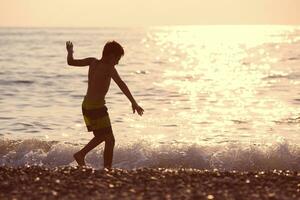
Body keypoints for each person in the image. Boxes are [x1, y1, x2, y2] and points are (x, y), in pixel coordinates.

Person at [66, 41, 144, 169]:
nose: (117, 62)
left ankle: (90, 159)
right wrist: (134, 102)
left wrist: (70, 52)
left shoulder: (92, 62)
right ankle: (94, 161)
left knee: (104, 137)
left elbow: (71, 62)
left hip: (86, 105)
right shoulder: (109, 68)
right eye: (118, 59)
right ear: (111, 56)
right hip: (97, 107)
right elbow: (121, 84)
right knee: (109, 139)